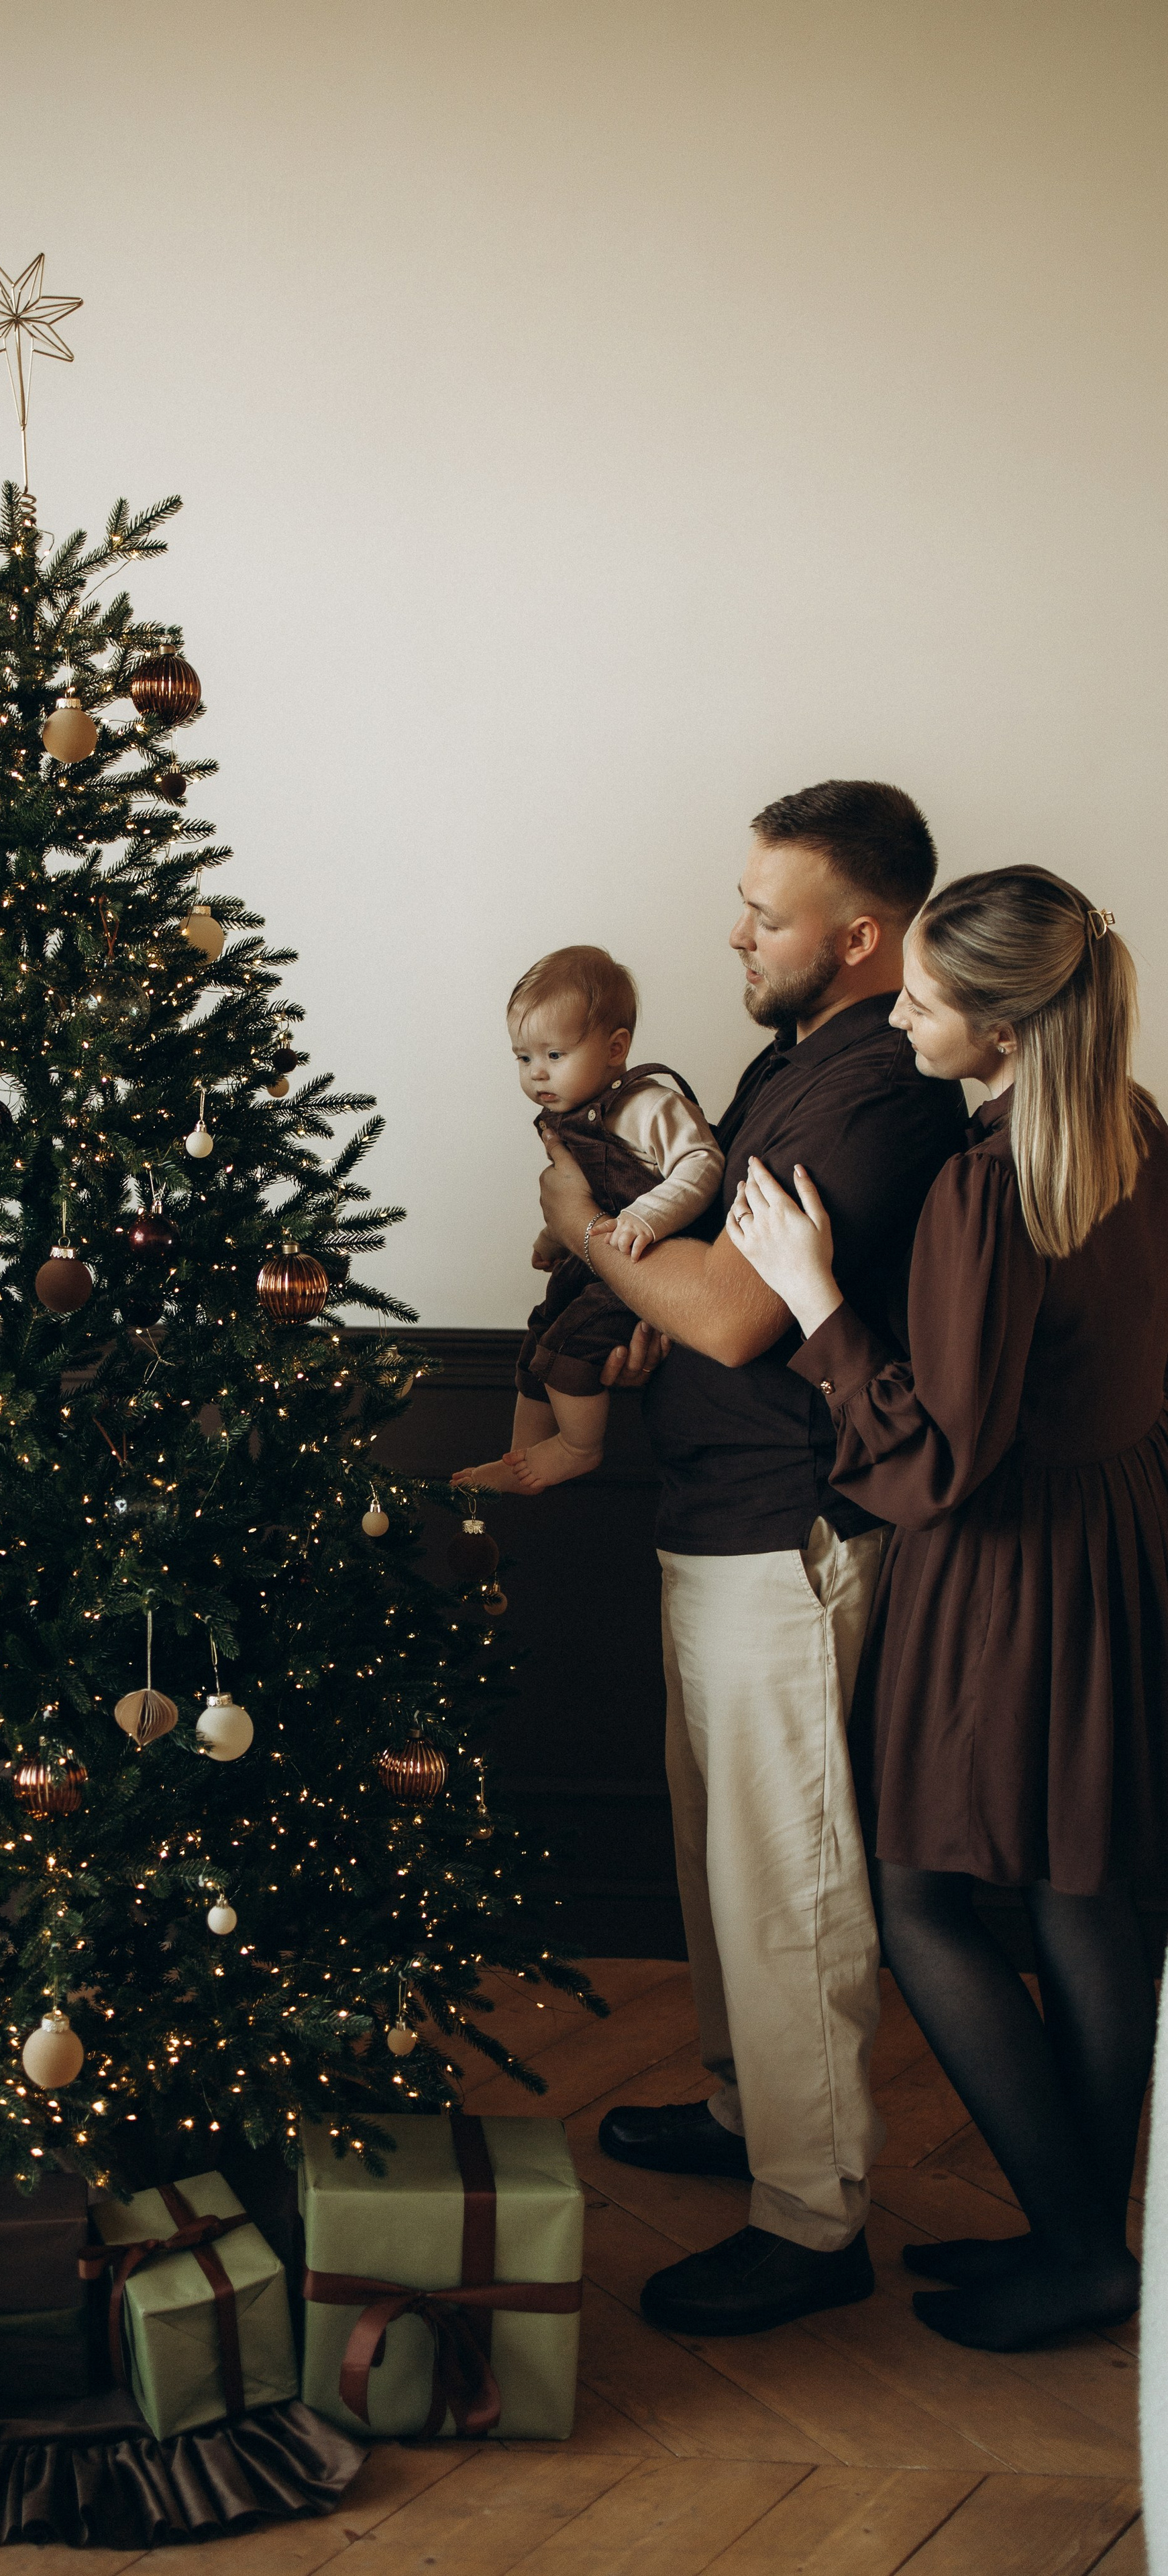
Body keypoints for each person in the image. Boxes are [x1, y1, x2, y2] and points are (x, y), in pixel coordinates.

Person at [537, 780, 968, 2337]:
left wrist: (586, 1235)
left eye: (762, 910)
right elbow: (711, 1287)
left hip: (786, 1535)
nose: (733, 928)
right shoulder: (796, 1060)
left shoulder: (870, 1092)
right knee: (713, 1856)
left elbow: (727, 1310)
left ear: (856, 935)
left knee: (782, 1879)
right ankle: (741, 2115)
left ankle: (811, 2213)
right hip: (706, 1512)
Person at [727, 865, 1166, 2353]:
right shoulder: (1133, 1130)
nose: (896, 1018)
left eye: (918, 999)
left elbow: (934, 1458)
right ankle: (1084, 2241)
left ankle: (1074, 2248)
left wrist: (809, 1296)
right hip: (1116, 1540)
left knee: (920, 1895)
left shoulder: (988, 1187)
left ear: (996, 1027)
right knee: (1081, 1892)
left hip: (1006, 1572)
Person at [455, 944, 722, 1492]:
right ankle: (521, 1457)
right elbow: (580, 1196)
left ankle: (580, 1447)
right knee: (541, 1331)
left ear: (615, 1048)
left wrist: (647, 1217)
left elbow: (702, 1164)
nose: (536, 1075)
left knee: (571, 1344)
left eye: (554, 1055)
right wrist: (553, 1236)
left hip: (650, 1262)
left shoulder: (649, 1106)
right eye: (523, 1058)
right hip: (596, 1252)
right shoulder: (570, 1118)